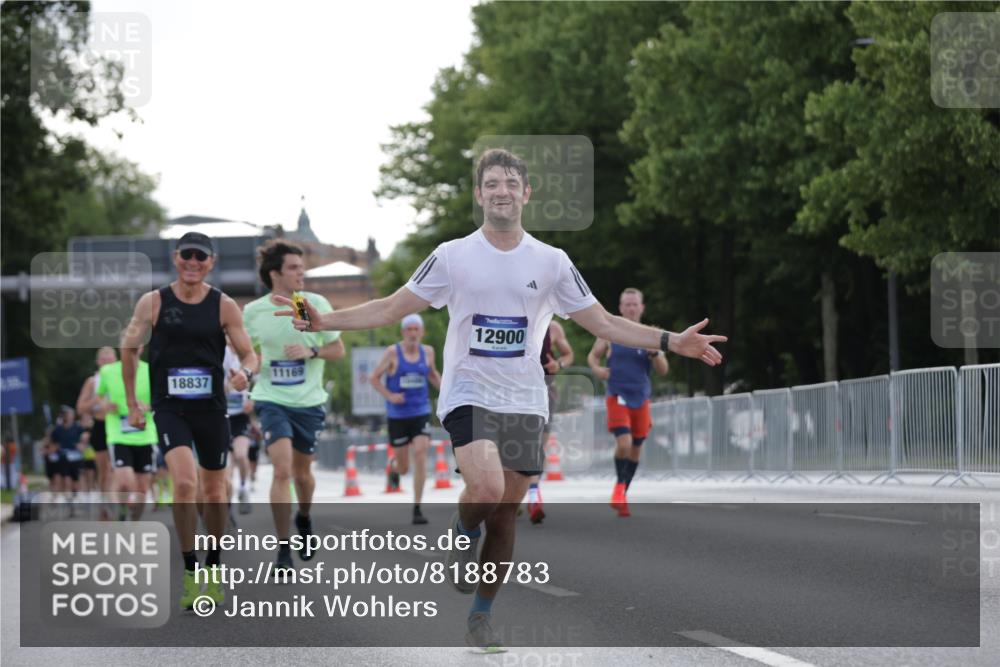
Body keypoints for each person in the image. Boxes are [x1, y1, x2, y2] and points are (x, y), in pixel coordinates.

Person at [275, 148, 726, 651]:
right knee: (485, 490)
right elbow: (391, 306)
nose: (502, 190)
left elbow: (604, 323)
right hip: (468, 390)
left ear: (527, 193)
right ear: (479, 195)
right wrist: (325, 320)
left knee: (506, 514)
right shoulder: (452, 256)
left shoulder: (552, 263)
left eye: (511, 182)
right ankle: (462, 529)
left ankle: (481, 617)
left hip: (526, 399)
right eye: (492, 183)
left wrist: (671, 340)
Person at [121, 231, 258, 610]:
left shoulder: (224, 306)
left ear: (211, 262)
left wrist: (245, 374)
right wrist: (134, 402)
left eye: (201, 257)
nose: (193, 262)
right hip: (169, 407)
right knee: (184, 483)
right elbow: (128, 347)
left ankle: (213, 566)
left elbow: (249, 355)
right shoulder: (153, 302)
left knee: (214, 493)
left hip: (211, 407)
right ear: (176, 257)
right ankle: (190, 568)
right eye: (187, 256)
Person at [243, 239, 344, 573]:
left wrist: (310, 352)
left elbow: (337, 350)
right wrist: (246, 373)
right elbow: (253, 355)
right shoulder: (254, 312)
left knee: (303, 475)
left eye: (302, 267)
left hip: (309, 402)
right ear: (275, 274)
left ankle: (303, 517)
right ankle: (283, 548)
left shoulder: (311, 303)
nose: (302, 273)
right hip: (272, 400)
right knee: (282, 469)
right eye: (294, 268)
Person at [588, 288, 669, 517]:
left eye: (635, 304)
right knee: (624, 443)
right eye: (627, 304)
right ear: (621, 307)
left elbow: (663, 370)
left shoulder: (652, 333)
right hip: (617, 394)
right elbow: (593, 355)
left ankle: (622, 491)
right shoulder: (610, 331)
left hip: (641, 396)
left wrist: (654, 354)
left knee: (636, 447)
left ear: (641, 307)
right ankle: (619, 489)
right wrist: (597, 368)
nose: (631, 308)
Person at [369, 313, 442, 524]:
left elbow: (433, 375)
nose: (412, 333)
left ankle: (417, 507)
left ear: (421, 332)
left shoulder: (427, 352)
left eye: (416, 329)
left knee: (420, 452)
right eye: (408, 329)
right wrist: (390, 395)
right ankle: (393, 466)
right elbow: (374, 378)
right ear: (403, 332)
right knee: (404, 468)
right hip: (398, 415)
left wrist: (449, 392)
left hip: (420, 411)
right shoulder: (393, 353)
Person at [98, 345, 158, 520]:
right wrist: (105, 405)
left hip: (145, 434)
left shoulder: (150, 369)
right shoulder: (107, 371)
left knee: (142, 489)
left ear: (142, 347)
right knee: (125, 481)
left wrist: (149, 406)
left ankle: (134, 523)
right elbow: (100, 396)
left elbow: (162, 398)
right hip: (118, 434)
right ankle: (122, 510)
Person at [525, 320, 574, 524]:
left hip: (545, 392)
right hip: (516, 392)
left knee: (538, 445)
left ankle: (534, 496)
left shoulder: (553, 327)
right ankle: (512, 495)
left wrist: (558, 364)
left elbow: (569, 355)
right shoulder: (516, 318)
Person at [75, 347, 118, 501]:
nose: (106, 362)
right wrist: (98, 399)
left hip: (119, 425)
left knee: (117, 468)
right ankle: (105, 500)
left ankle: (116, 503)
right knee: (104, 469)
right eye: (103, 359)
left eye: (110, 359)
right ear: (98, 362)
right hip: (100, 425)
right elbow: (80, 408)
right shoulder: (93, 381)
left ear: (116, 360)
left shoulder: (123, 377)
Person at [223, 338, 254, 515]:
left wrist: (252, 401)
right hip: (222, 416)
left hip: (240, 417)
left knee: (242, 455)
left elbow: (260, 384)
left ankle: (244, 487)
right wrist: (229, 386)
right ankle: (227, 512)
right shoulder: (220, 356)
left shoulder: (248, 358)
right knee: (226, 470)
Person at [47, 406, 84, 499]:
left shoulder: (78, 428)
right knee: (65, 479)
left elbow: (85, 439)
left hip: (76, 457)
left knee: (76, 480)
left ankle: (75, 497)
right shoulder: (57, 429)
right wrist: (53, 448)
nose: (67, 416)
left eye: (69, 414)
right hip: (63, 457)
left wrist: (82, 445)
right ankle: (66, 498)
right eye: (66, 414)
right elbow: (51, 442)